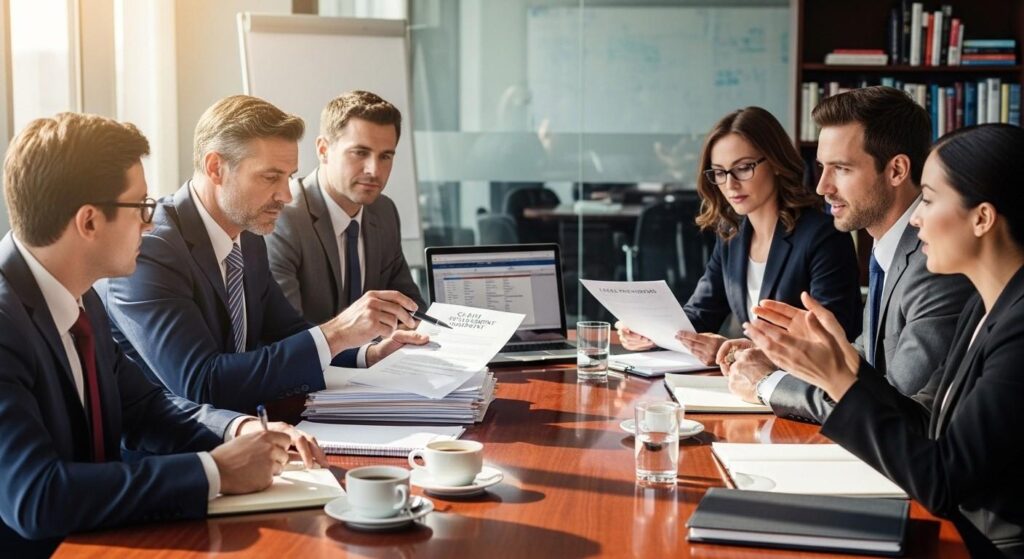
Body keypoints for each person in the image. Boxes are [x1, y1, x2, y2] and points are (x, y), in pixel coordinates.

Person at [0, 113, 327, 556]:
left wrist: (238, 429)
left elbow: (145, 407)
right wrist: (213, 472)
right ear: (89, 222)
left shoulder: (79, 295)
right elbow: (36, 497)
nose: (150, 223)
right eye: (140, 206)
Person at [745, 123, 1024, 557]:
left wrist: (840, 381)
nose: (915, 218)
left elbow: (943, 481)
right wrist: (845, 365)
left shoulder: (1019, 328)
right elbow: (923, 423)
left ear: (982, 218)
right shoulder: (983, 306)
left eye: (928, 199)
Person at [101, 95, 427, 414]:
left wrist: (366, 355)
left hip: (249, 425)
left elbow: (285, 331)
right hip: (182, 440)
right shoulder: (151, 249)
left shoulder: (248, 235)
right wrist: (338, 332)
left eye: (289, 177)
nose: (286, 195)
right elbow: (202, 383)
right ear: (216, 168)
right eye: (271, 177)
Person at [722, 87, 974, 424]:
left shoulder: (935, 262)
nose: (822, 187)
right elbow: (864, 359)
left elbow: (892, 405)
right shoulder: (888, 248)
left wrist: (766, 384)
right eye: (822, 167)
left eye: (841, 168)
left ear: (897, 170)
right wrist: (783, 357)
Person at [616, 106, 861, 364]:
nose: (730, 184)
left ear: (775, 163)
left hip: (808, 385)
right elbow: (700, 315)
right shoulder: (732, 236)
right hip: (752, 382)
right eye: (719, 172)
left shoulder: (824, 237)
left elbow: (831, 341)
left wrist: (734, 352)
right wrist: (651, 333)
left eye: (743, 168)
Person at [267, 90, 425, 324]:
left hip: (379, 348)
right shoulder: (284, 217)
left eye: (385, 156)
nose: (374, 170)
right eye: (360, 153)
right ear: (323, 150)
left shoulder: (384, 211)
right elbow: (287, 332)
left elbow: (411, 307)